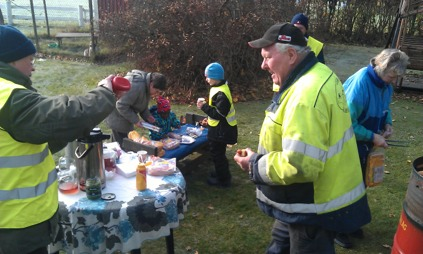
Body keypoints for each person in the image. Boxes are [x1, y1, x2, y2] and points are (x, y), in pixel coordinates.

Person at [233, 23, 371, 253]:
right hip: (301, 201)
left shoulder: (305, 96)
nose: (262, 65)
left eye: (267, 58)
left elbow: (299, 165)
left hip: (312, 208)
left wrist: (254, 165)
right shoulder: (321, 73)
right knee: (278, 245)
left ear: (291, 55)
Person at [0, 25, 117, 254]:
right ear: (10, 60)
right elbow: (61, 117)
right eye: (29, 59)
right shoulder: (7, 96)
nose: (33, 66)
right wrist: (105, 93)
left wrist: (69, 131)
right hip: (14, 226)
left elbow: (36, 137)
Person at [335, 48, 410, 249]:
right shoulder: (361, 83)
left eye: (396, 77)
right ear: (380, 66)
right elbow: (346, 123)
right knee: (347, 186)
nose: (393, 81)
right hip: (348, 142)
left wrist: (388, 123)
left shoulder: (385, 85)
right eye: (391, 75)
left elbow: (385, 107)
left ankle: (350, 224)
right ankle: (337, 228)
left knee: (360, 184)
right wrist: (372, 136)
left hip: (365, 143)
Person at [197, 62, 237, 188]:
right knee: (218, 153)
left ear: (215, 77)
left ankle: (223, 180)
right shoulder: (218, 88)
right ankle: (221, 173)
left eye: (208, 76)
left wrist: (203, 107)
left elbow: (219, 114)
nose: (206, 79)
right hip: (219, 129)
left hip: (221, 130)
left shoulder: (222, 93)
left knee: (217, 154)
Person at [105, 70, 167, 145]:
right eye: (156, 91)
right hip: (117, 116)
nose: (156, 94)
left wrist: (147, 116)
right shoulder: (136, 86)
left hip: (125, 115)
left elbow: (141, 103)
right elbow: (121, 105)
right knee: (120, 146)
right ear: (151, 84)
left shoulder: (146, 86)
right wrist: (136, 120)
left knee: (125, 143)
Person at [272, 13, 326, 93]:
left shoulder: (316, 45)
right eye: (294, 27)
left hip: (305, 87)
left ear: (306, 29)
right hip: (282, 86)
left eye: (300, 28)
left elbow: (321, 69)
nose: (297, 30)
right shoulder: (282, 40)